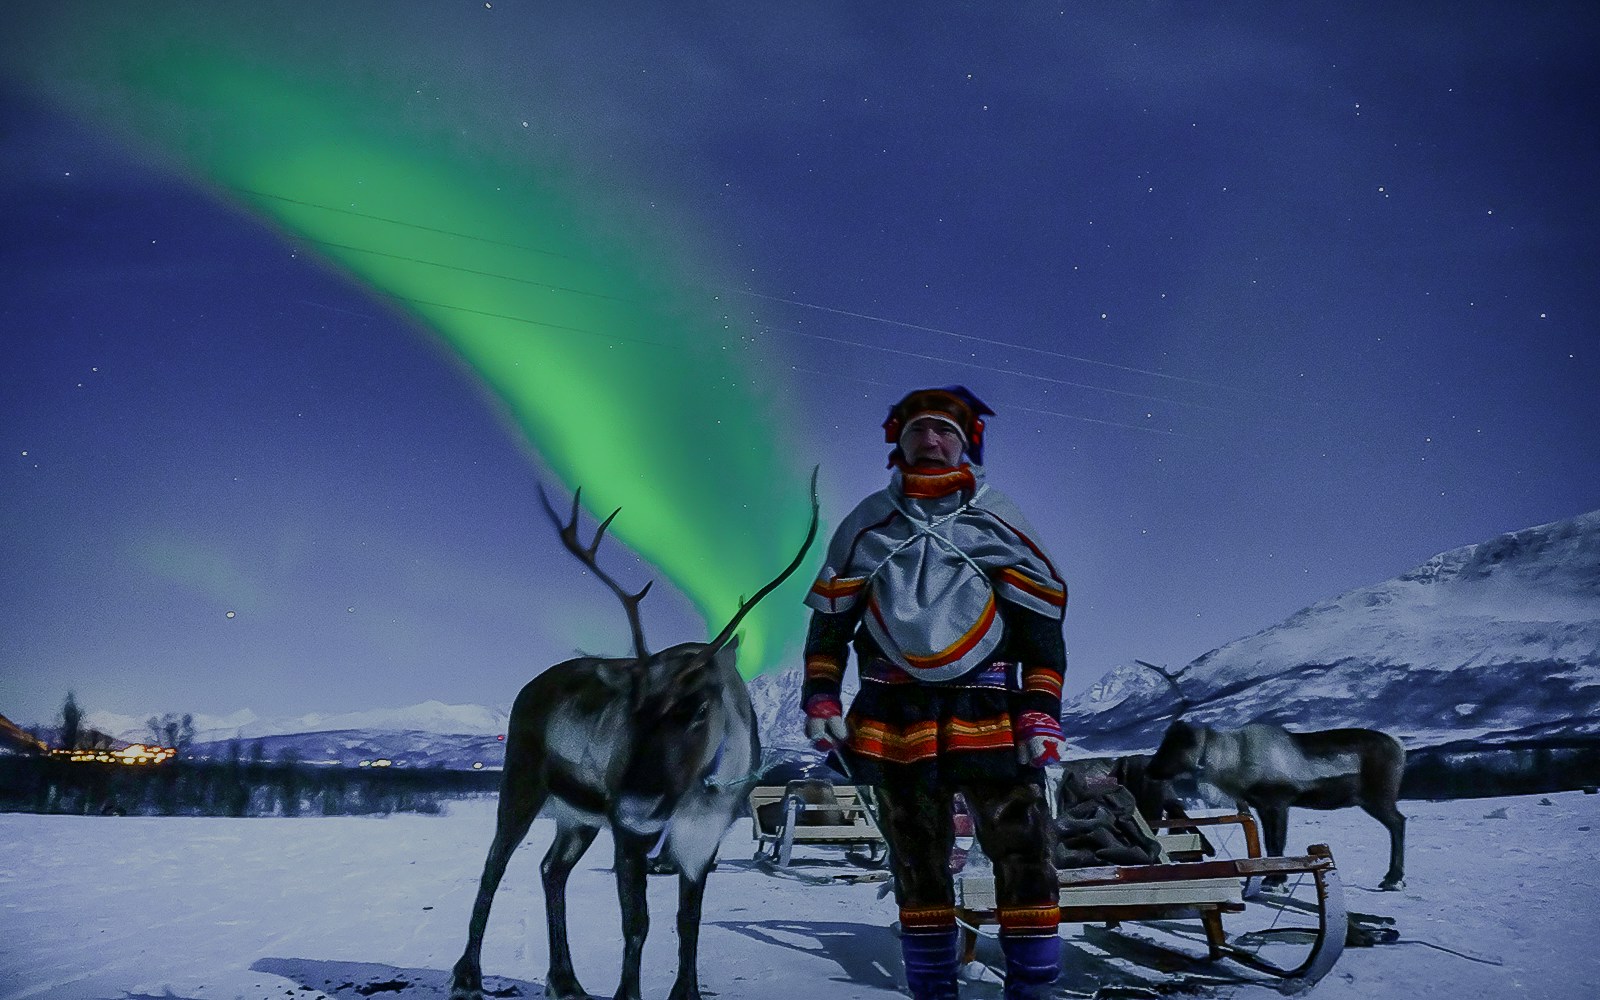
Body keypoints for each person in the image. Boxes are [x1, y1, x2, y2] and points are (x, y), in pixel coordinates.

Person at [801, 386, 1068, 1000]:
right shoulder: (865, 526)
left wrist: (1041, 714)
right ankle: (932, 992)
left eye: (944, 430)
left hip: (992, 711)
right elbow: (830, 627)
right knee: (918, 861)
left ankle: (1032, 992)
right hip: (897, 714)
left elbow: (1040, 629)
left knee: (1025, 852)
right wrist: (821, 696)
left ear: (967, 443)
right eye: (917, 429)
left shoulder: (999, 520)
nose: (930, 440)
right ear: (897, 442)